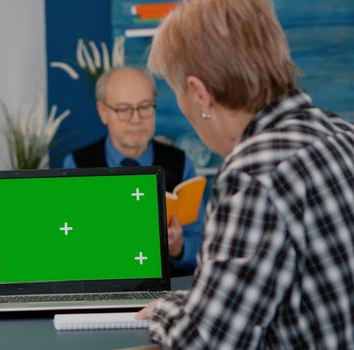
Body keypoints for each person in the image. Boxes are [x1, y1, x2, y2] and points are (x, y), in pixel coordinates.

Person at [135, 0, 354, 348]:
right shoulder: (342, 135)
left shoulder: (254, 175)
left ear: (199, 94)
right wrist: (194, 306)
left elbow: (208, 343)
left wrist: (162, 310)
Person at [63, 66, 204, 277]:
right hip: (100, 291)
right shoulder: (76, 164)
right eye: (123, 109)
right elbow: (68, 244)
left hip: (165, 295)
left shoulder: (181, 163)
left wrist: (178, 248)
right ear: (103, 112)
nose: (136, 119)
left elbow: (202, 245)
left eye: (145, 107)